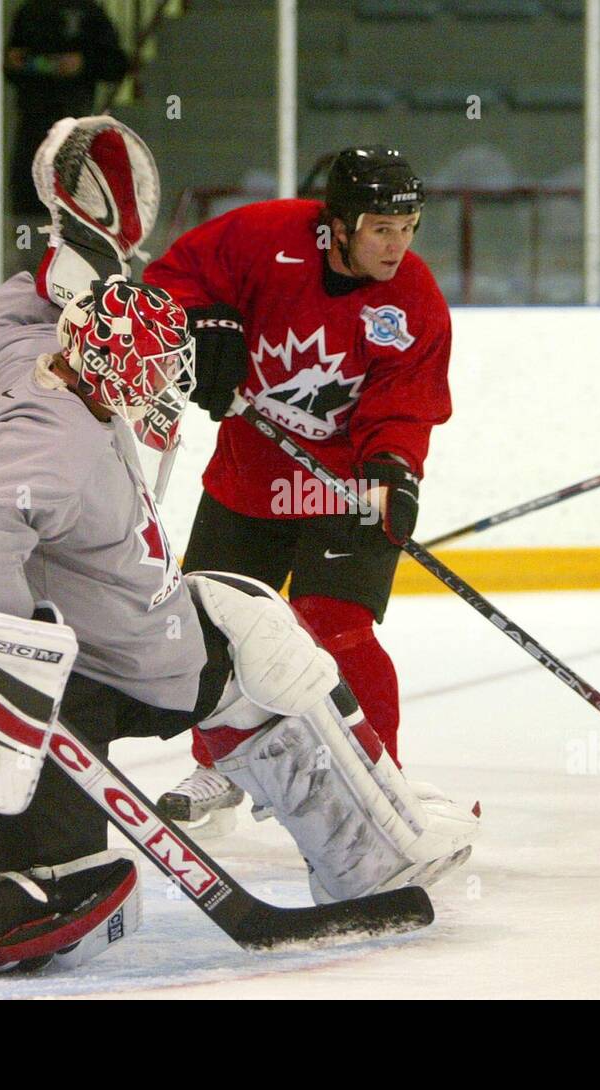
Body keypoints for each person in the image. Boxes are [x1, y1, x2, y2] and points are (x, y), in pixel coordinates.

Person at [0, 125, 476, 978]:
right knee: (52, 910)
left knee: (257, 627)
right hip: (28, 691)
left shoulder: (44, 355)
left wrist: (82, 261)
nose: (162, 389)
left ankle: (376, 849)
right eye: (152, 373)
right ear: (113, 374)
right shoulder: (64, 440)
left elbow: (2, 330)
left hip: (120, 653)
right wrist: (1, 659)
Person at [142, 147, 453, 833]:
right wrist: (205, 324)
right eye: (380, 229)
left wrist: (394, 470)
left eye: (409, 228)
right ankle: (218, 768)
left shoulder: (414, 300)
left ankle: (380, 781)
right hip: (247, 480)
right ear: (338, 225)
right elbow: (171, 279)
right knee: (212, 634)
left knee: (335, 627)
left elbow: (404, 401)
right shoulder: (264, 237)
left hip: (342, 489)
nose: (397, 246)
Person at [5, 0, 129, 271]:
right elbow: (9, 64)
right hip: (32, 127)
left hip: (74, 131)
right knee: (30, 207)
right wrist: (26, 63)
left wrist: (83, 64)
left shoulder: (88, 12)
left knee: (74, 207)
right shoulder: (30, 11)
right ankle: (31, 271)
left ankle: (75, 273)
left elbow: (117, 64)